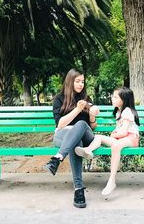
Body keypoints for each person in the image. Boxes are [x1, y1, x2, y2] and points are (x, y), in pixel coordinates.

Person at [44, 68, 99, 208]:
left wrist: (92, 115)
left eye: (83, 82)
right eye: (77, 81)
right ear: (70, 81)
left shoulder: (87, 98)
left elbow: (92, 127)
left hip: (85, 133)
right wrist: (77, 110)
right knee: (76, 143)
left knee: (81, 124)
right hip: (63, 135)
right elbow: (60, 124)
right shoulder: (59, 98)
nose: (81, 84)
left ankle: (57, 158)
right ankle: (79, 190)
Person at [75, 87, 140, 197]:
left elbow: (124, 132)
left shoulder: (127, 111)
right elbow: (119, 130)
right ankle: (88, 151)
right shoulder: (119, 111)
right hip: (121, 139)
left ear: (124, 99)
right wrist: (115, 134)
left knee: (115, 145)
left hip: (131, 138)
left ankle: (111, 180)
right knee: (99, 137)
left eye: (115, 97)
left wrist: (114, 135)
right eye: (112, 96)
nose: (112, 99)